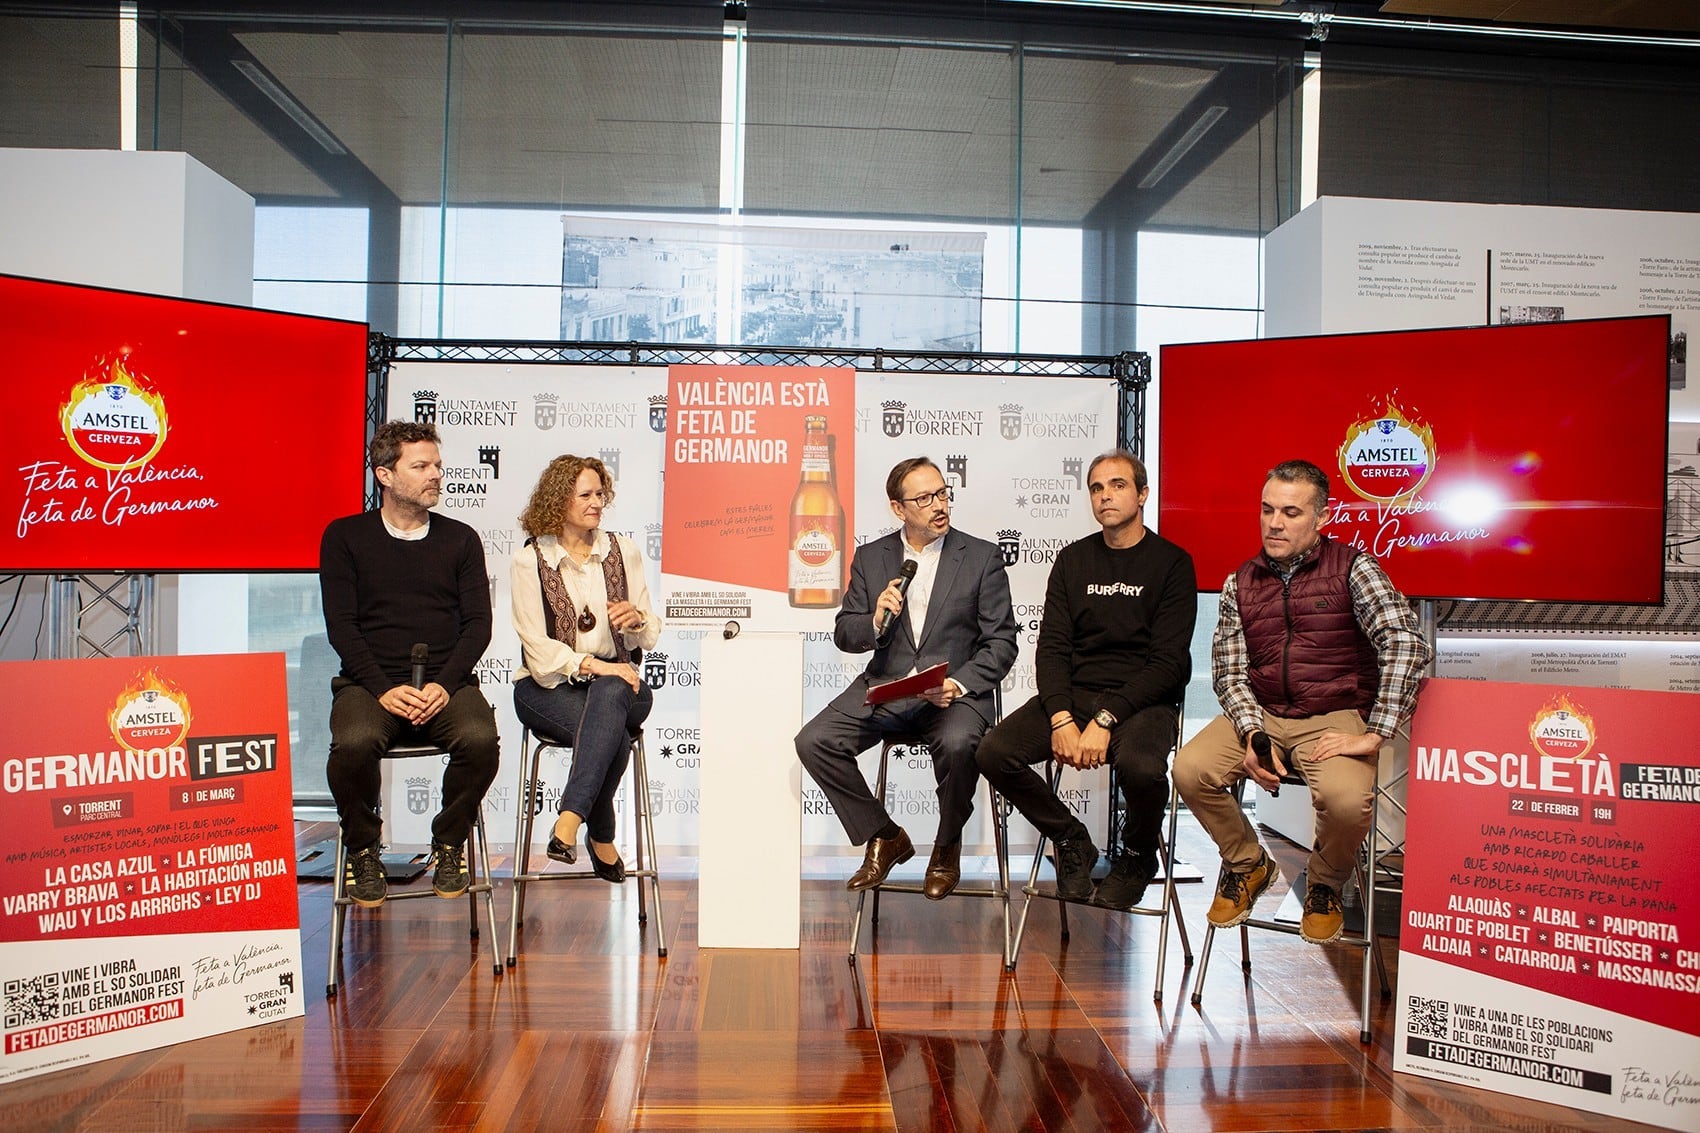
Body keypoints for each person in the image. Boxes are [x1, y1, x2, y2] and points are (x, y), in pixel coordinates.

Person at [1174, 459, 1431, 944]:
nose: (1274, 522)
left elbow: (1406, 641)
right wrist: (1252, 732)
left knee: (1345, 800)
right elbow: (1229, 671)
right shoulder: (1239, 583)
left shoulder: (1355, 569)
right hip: (1264, 711)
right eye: (1267, 509)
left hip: (1333, 713)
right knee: (1190, 768)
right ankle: (1249, 864)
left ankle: (1325, 883)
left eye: (1291, 512)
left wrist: (1376, 732)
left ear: (1321, 517)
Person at [976, 450, 1196, 909]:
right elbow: (1052, 649)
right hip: (1074, 697)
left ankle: (1137, 856)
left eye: (1117, 485)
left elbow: (1168, 663)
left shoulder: (1172, 563)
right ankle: (1072, 839)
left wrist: (1105, 718)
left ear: (1143, 494)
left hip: (1142, 702)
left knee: (1140, 765)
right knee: (994, 751)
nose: (1105, 496)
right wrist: (1060, 718)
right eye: (1096, 488)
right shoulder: (1073, 560)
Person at [796, 456, 1018, 900]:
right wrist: (874, 622)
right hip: (887, 688)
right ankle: (885, 835)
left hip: (951, 695)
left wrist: (957, 684)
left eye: (942, 493)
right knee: (813, 741)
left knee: (959, 745)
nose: (939, 505)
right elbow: (846, 632)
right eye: (924, 498)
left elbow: (1002, 643)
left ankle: (947, 845)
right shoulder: (871, 557)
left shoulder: (980, 557)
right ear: (899, 509)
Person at [321, 420, 500, 908]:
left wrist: (444, 685)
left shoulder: (460, 539)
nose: (435, 475)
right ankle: (362, 847)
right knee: (354, 743)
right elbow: (342, 628)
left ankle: (449, 839)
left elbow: (478, 626)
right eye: (420, 466)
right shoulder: (345, 537)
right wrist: (382, 689)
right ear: (384, 474)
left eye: (437, 465)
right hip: (369, 685)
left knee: (481, 739)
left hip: (446, 684)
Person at [511, 454, 660, 883]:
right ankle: (601, 833)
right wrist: (595, 665)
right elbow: (538, 652)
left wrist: (637, 621)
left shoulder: (623, 551)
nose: (597, 503)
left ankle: (568, 820)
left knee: (613, 697)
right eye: (586, 495)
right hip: (547, 688)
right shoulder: (530, 561)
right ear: (559, 501)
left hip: (619, 682)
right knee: (607, 728)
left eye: (600, 494)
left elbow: (647, 636)